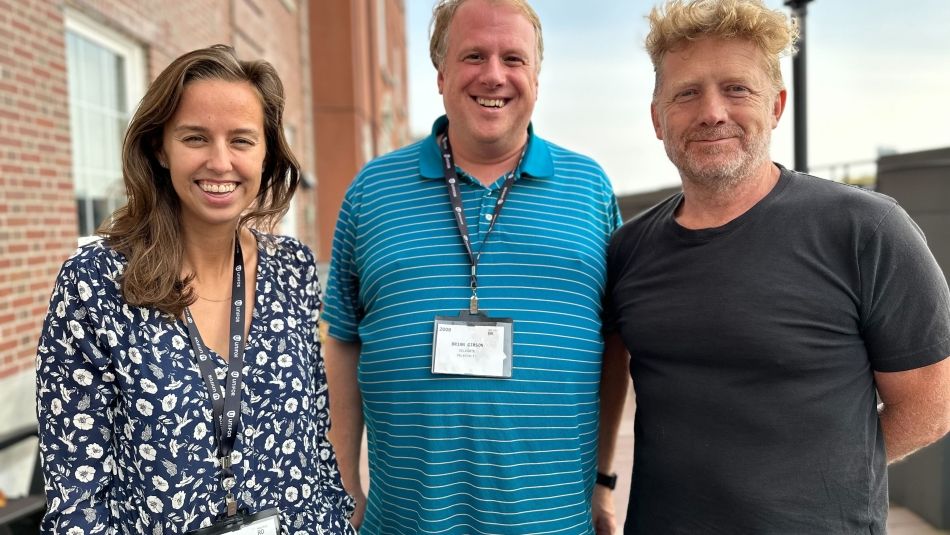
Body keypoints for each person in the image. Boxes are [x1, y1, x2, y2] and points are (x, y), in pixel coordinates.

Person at [605, 0, 950, 533]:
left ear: (776, 106)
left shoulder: (865, 229)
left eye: (737, 88)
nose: (712, 112)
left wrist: (829, 473)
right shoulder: (629, 248)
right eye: (687, 92)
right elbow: (609, 375)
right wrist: (602, 483)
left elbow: (932, 402)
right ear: (657, 117)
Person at [321, 0, 629, 533]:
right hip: (405, 522)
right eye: (473, 56)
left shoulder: (590, 190)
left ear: (536, 75)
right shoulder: (372, 191)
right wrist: (345, 485)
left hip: (553, 521)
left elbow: (614, 343)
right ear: (440, 74)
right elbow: (342, 341)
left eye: (514, 58)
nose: (494, 75)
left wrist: (602, 482)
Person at [35, 45, 355, 534]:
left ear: (267, 153)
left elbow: (314, 441)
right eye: (196, 138)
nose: (220, 161)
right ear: (161, 148)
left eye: (242, 140)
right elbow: (78, 499)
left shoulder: (293, 270)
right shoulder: (96, 282)